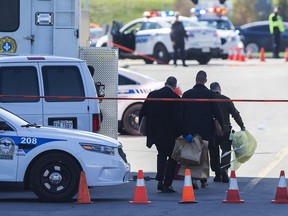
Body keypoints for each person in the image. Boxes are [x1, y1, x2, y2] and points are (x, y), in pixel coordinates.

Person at [139, 76, 192, 193]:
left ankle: (160, 180)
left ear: (165, 83)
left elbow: (143, 112)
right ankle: (167, 184)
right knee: (173, 158)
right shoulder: (176, 98)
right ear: (174, 86)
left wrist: (144, 129)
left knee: (161, 154)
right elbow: (178, 119)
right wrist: (186, 133)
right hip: (169, 135)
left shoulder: (152, 95)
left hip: (155, 133)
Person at [182, 70, 223, 188]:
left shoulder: (187, 94)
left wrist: (183, 130)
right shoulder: (210, 95)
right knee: (204, 156)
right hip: (206, 130)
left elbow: (181, 113)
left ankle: (193, 179)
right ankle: (203, 180)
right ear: (205, 81)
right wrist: (220, 125)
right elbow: (217, 112)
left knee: (191, 155)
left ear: (195, 79)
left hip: (190, 130)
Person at [209, 82, 245, 183]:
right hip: (225, 131)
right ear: (219, 89)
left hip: (212, 131)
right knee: (226, 150)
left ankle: (217, 173)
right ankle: (224, 168)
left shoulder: (208, 100)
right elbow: (235, 114)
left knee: (213, 152)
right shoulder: (226, 99)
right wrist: (242, 126)